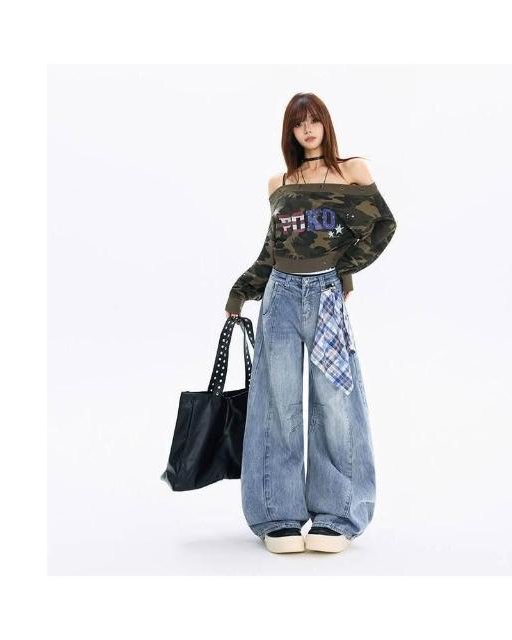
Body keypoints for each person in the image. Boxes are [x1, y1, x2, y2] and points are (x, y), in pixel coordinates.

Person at [224, 92, 397, 554]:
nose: (307, 129)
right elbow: (273, 251)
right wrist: (241, 291)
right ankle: (276, 514)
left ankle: (337, 514)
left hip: (324, 297)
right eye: (298, 123)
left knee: (334, 405)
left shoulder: (351, 171)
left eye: (314, 119)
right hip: (279, 296)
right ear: (290, 132)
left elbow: (382, 226)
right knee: (276, 406)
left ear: (325, 124)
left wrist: (343, 270)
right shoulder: (279, 183)